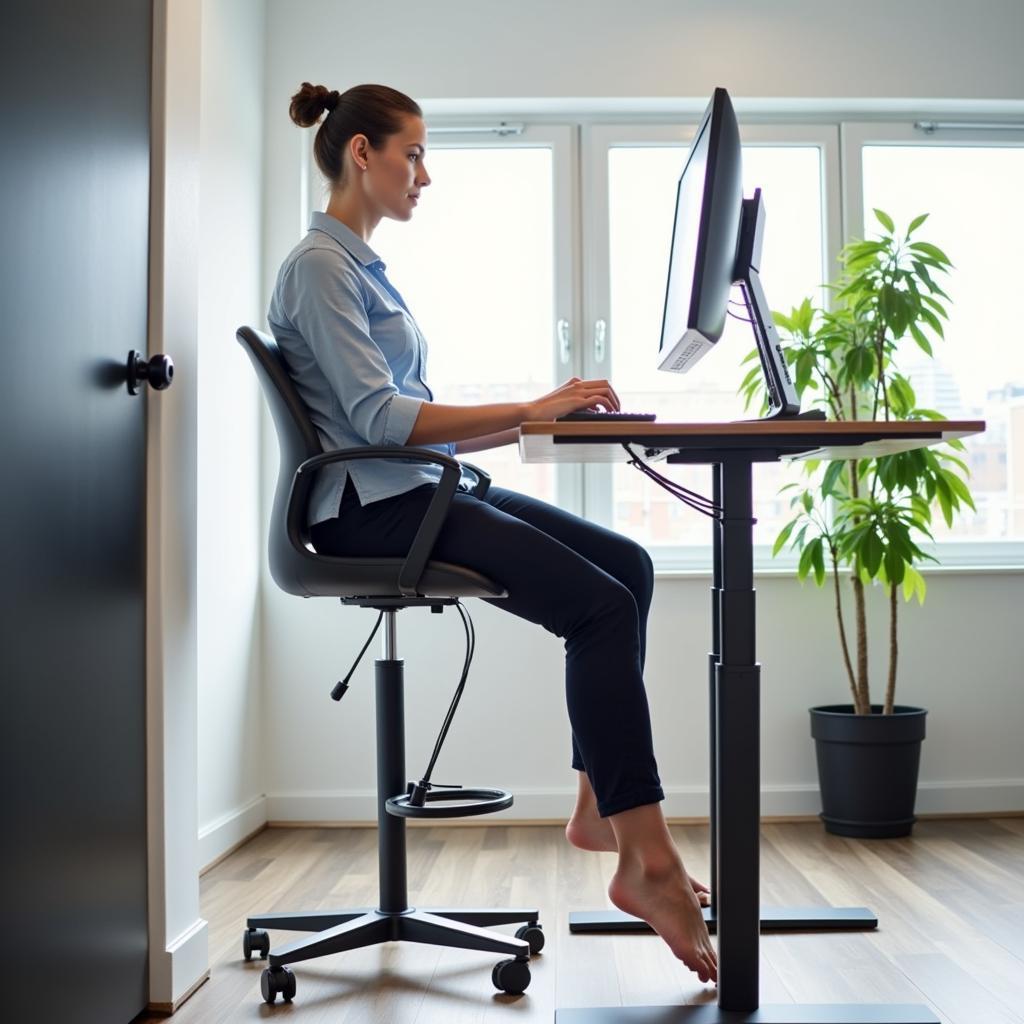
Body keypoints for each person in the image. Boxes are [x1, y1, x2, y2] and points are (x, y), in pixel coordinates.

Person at [267, 81, 718, 986]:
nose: (424, 174)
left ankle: (600, 807)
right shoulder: (319, 267)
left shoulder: (358, 267)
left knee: (625, 563)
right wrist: (528, 408)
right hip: (376, 511)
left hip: (416, 489)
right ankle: (649, 859)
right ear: (363, 153)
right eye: (414, 153)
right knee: (595, 609)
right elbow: (381, 418)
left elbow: (408, 416)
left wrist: (540, 419)